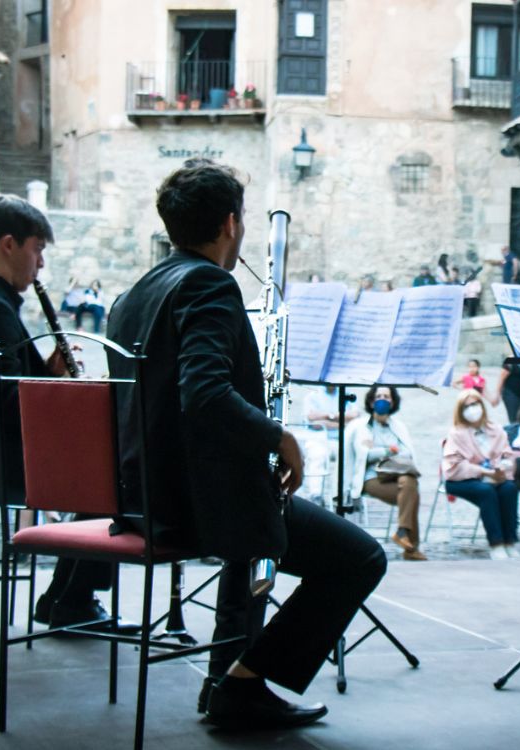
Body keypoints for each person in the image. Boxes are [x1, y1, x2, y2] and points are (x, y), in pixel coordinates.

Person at [106, 160, 385, 731]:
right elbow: (203, 393)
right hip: (195, 505)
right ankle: (240, 681)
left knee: (256, 509)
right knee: (359, 558)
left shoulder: (131, 295)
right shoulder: (208, 282)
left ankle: (233, 679)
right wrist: (277, 436)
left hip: (140, 497)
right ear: (231, 224)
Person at [0, 195, 129, 634]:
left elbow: (0, 388)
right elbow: (9, 409)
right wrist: (75, 404)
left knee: (109, 468)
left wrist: (49, 373)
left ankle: (66, 597)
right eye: (37, 248)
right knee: (117, 474)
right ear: (9, 244)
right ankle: (71, 601)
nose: (40, 264)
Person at [343, 385, 426, 560]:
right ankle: (410, 547)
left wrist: (379, 450)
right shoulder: (361, 426)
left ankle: (403, 533)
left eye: (387, 397)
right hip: (372, 478)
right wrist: (389, 450)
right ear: (372, 401)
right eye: (379, 396)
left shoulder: (398, 427)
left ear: (393, 401)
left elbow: (407, 453)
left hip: (396, 475)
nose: (383, 399)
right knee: (412, 493)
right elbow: (364, 453)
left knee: (409, 483)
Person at [442, 388, 520, 559]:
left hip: (494, 477)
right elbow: (454, 465)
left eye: (475, 404)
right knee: (486, 492)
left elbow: (507, 455)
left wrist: (502, 468)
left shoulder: (496, 429)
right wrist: (484, 471)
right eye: (467, 406)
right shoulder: (456, 433)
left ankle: (510, 541)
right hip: (462, 479)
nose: (472, 409)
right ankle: (496, 543)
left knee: (509, 488)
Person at [488, 356, 520, 423]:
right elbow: (502, 377)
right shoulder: (511, 359)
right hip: (511, 394)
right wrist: (497, 394)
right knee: (514, 420)